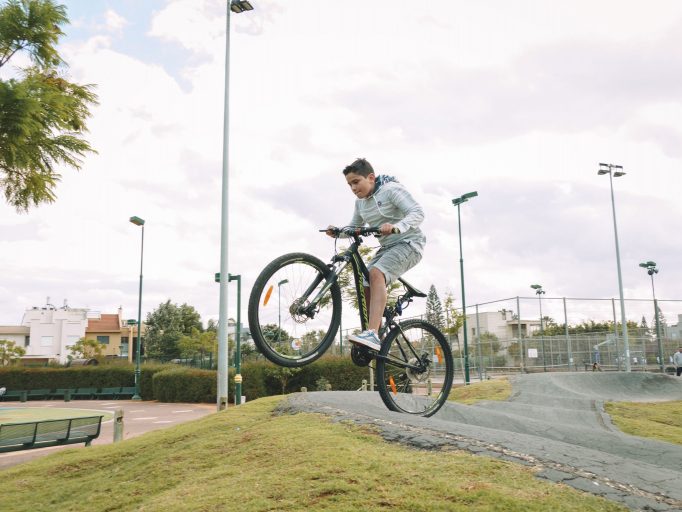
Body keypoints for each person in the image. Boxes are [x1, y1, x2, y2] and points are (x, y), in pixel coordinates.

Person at [326, 157, 425, 351]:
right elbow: (354, 227)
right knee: (366, 282)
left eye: (356, 182)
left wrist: (397, 226)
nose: (353, 188)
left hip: (410, 243)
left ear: (371, 178)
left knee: (375, 273)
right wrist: (338, 232)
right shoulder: (360, 203)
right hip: (388, 248)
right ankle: (377, 336)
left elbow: (417, 212)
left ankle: (371, 333)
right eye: (349, 185)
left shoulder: (391, 190)